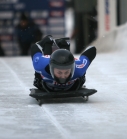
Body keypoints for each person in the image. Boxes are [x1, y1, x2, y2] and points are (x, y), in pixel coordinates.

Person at [31, 35, 96, 92]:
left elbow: (92, 49)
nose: (63, 77)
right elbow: (35, 47)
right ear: (51, 69)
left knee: (66, 58)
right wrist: (42, 42)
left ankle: (64, 45)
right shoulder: (41, 65)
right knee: (47, 57)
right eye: (59, 72)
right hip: (46, 62)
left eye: (66, 72)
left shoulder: (79, 68)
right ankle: (47, 43)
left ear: (72, 69)